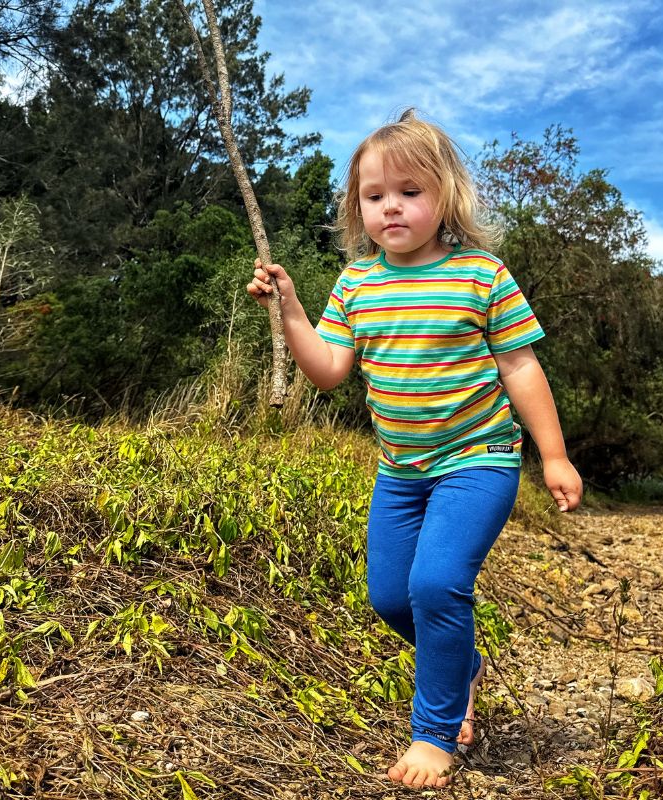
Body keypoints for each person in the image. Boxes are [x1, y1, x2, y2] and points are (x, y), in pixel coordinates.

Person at [247, 109, 582, 789]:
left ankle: (436, 733)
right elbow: (330, 369)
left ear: (446, 198)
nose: (391, 207)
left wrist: (552, 455)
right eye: (375, 196)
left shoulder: (481, 276)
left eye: (409, 192)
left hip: (479, 459)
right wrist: (289, 310)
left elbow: (521, 368)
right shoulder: (356, 285)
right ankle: (463, 664)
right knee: (391, 600)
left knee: (436, 586)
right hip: (400, 471)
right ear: (357, 208)